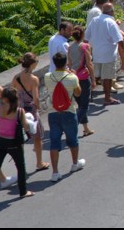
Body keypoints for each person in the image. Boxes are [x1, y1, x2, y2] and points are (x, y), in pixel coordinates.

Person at [0, 88, 34, 201]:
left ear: (4, 98)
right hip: (14, 142)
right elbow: (26, 127)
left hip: (0, 141)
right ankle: (23, 191)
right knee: (20, 166)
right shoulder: (19, 111)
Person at [45, 52, 84, 183]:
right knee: (73, 139)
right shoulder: (72, 77)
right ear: (66, 62)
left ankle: (55, 172)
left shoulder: (47, 77)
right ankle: (74, 164)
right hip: (69, 111)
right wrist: (73, 75)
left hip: (53, 113)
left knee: (54, 142)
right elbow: (78, 93)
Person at [13, 52, 50, 170]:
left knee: (21, 138)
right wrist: (37, 108)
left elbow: (13, 94)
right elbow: (36, 98)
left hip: (19, 110)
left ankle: (20, 165)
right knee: (37, 137)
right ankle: (39, 163)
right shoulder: (33, 79)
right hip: (30, 110)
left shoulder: (16, 77)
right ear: (32, 64)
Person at [85, 2, 124, 105]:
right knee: (107, 77)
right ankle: (107, 98)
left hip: (96, 53)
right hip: (108, 54)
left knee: (96, 76)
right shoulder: (111, 22)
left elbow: (86, 37)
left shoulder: (94, 20)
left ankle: (87, 96)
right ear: (111, 12)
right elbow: (119, 38)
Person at [93, 0, 124, 74]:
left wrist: (115, 21)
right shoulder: (99, 6)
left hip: (110, 25)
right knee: (120, 39)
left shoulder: (108, 3)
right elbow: (102, 20)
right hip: (104, 29)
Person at [68, 27, 96, 138]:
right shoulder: (85, 46)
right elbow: (89, 64)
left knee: (80, 104)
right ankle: (73, 127)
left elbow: (69, 63)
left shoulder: (70, 47)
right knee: (84, 105)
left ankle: (86, 129)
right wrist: (93, 79)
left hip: (73, 77)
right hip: (83, 77)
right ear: (82, 35)